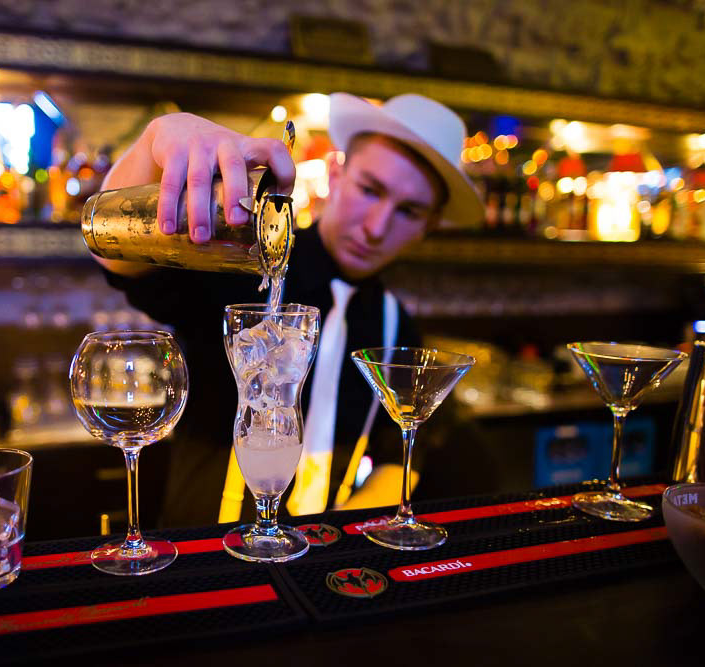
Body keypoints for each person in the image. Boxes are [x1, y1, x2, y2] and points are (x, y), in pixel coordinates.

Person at [95, 92, 499, 528]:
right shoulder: (245, 263)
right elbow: (117, 260)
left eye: (408, 211)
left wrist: (338, 542)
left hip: (322, 555)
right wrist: (153, 143)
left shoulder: (394, 323)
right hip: (203, 544)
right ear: (336, 174)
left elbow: (396, 458)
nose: (377, 227)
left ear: (428, 226)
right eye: (370, 190)